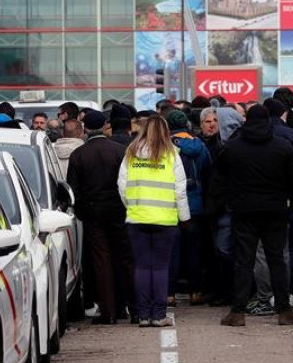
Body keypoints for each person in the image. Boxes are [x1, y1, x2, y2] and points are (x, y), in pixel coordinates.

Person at [216, 104, 293, 327]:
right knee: (277, 261)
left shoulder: (233, 148)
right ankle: (284, 310)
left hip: (243, 211)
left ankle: (237, 312)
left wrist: (227, 201)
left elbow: (220, 178)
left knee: (244, 261)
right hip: (275, 210)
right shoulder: (282, 147)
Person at [118, 115, 190, 327]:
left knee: (141, 266)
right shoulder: (171, 155)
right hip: (165, 219)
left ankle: (143, 314)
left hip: (137, 217)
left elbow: (121, 185)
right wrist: (184, 217)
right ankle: (158, 315)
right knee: (159, 267)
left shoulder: (131, 153)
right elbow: (180, 190)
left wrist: (132, 205)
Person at [68, 109, 136, 324]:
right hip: (119, 210)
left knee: (101, 260)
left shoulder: (79, 154)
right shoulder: (120, 151)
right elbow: (129, 182)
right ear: (105, 125)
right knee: (124, 258)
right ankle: (132, 308)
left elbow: (73, 189)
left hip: (92, 212)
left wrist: (81, 211)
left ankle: (108, 311)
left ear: (85, 128)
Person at [166, 110, 211, 306]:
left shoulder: (165, 146)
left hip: (170, 204)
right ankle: (196, 291)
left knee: (172, 251)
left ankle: (170, 293)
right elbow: (208, 171)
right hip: (195, 204)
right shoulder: (199, 145)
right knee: (195, 250)